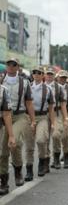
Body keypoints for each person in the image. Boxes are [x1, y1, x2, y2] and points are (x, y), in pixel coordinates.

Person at [0, 58, 35, 194]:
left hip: (19, 116)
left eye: (13, 64)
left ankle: (18, 171)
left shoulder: (25, 82)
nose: (10, 66)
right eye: (9, 64)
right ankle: (4, 181)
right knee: (3, 151)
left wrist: (33, 120)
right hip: (4, 117)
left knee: (15, 143)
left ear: (18, 67)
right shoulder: (2, 80)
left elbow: (29, 103)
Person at [26, 67, 55, 177]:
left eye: (39, 73)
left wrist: (52, 123)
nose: (36, 74)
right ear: (32, 74)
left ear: (43, 75)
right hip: (28, 117)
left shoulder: (48, 89)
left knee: (41, 140)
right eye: (34, 72)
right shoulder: (27, 87)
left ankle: (42, 163)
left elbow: (51, 108)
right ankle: (29, 169)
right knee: (29, 145)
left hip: (42, 116)